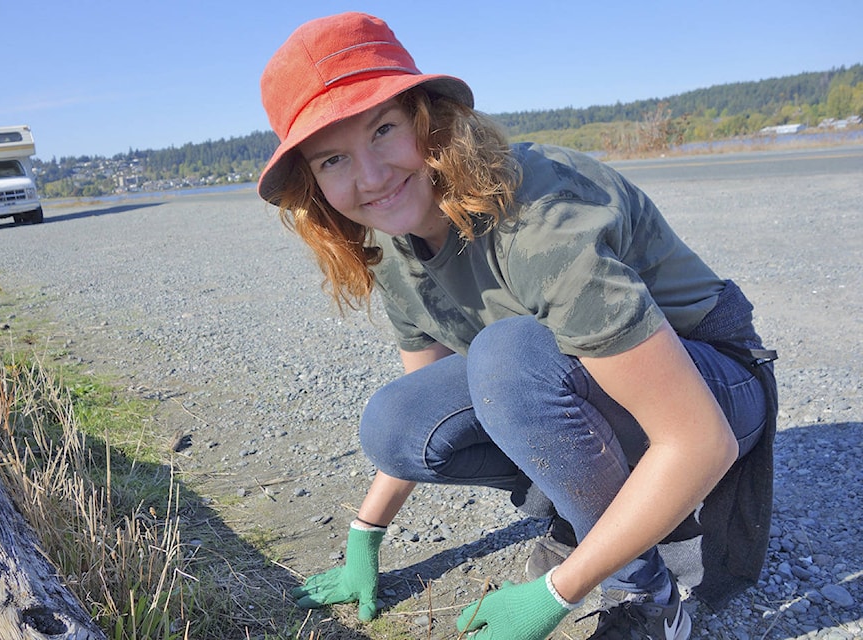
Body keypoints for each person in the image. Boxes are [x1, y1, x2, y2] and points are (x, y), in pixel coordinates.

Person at [257, 12, 777, 640]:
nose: (369, 178)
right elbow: (429, 408)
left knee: (507, 359)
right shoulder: (395, 252)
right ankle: (594, 512)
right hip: (594, 387)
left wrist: (554, 595)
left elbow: (700, 440)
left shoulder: (538, 221)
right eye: (333, 158)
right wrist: (364, 536)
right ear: (312, 184)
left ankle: (649, 594)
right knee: (396, 423)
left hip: (717, 387)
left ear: (433, 119)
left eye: (384, 129)